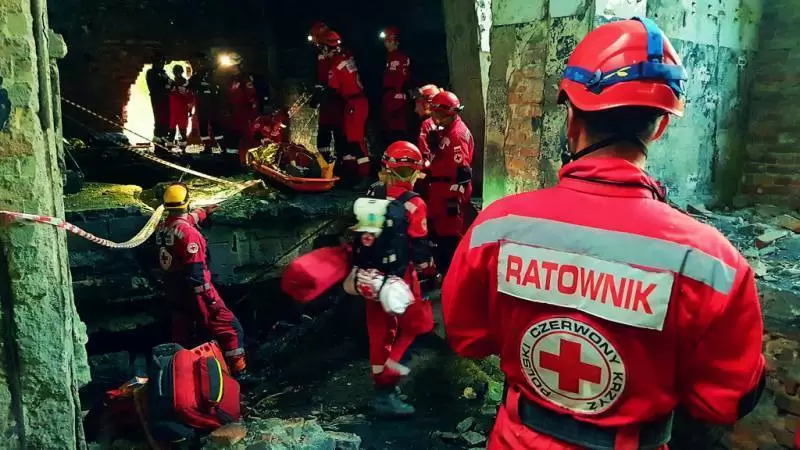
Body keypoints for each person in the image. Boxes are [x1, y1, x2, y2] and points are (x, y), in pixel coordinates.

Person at [441, 17, 765, 450]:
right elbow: (726, 400)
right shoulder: (712, 264)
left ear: (571, 119)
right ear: (661, 127)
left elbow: (467, 337)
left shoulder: (496, 227)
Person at [346, 141, 435, 417]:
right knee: (418, 325)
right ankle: (387, 387)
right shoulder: (414, 203)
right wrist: (429, 269)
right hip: (399, 278)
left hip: (369, 277)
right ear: (415, 172)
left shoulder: (372, 193)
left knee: (379, 332)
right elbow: (419, 249)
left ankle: (381, 389)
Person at [155, 183, 247, 376]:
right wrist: (211, 301)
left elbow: (184, 220)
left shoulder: (163, 226)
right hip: (196, 292)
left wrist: (203, 212)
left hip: (174, 289)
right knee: (230, 327)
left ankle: (181, 373)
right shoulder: (190, 235)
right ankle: (240, 372)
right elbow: (196, 273)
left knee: (183, 333)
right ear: (187, 202)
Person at [425, 90, 473, 274]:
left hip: (449, 193)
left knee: (449, 237)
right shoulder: (447, 130)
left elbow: (463, 171)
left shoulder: (456, 135)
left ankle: (451, 275)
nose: (433, 117)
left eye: (436, 113)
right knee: (440, 235)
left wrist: (454, 199)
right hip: (440, 190)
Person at [321, 30, 370, 188]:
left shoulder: (335, 64)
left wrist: (319, 96)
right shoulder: (346, 55)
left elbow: (332, 89)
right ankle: (353, 175)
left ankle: (364, 176)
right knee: (350, 139)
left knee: (355, 141)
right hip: (356, 102)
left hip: (354, 103)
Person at [308, 22, 347, 164]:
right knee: (324, 133)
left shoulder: (336, 56)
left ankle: (341, 164)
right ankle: (324, 163)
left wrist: (326, 93)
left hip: (337, 99)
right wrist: (317, 95)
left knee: (339, 133)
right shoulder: (322, 55)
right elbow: (320, 78)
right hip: (327, 101)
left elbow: (335, 79)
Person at [379, 27, 411, 146]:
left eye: (389, 40)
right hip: (388, 97)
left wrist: (401, 93)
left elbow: (405, 78)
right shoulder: (388, 57)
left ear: (395, 41)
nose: (386, 44)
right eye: (385, 41)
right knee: (387, 128)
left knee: (397, 128)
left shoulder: (402, 57)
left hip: (398, 97)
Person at [224, 56, 259, 164]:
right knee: (233, 137)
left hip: (245, 113)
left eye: (234, 66)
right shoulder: (229, 79)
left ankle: (251, 162)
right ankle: (233, 161)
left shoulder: (245, 79)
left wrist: (252, 113)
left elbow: (252, 96)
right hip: (233, 113)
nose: (232, 68)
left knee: (248, 138)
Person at [188, 53, 224, 153]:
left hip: (213, 103)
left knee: (215, 125)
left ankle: (222, 147)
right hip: (203, 104)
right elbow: (191, 85)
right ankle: (208, 147)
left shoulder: (215, 73)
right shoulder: (197, 76)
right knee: (204, 125)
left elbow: (220, 87)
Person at [146, 53, 171, 145]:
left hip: (165, 99)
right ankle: (158, 140)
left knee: (166, 120)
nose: (163, 64)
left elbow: (170, 82)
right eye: (162, 62)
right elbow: (155, 87)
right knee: (159, 120)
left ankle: (163, 138)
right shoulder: (151, 73)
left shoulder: (163, 73)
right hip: (158, 99)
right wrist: (166, 87)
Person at [412, 84, 441, 163]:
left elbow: (426, 158)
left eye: (418, 104)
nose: (416, 109)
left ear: (427, 104)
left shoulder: (426, 125)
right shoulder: (446, 120)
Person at [168, 65, 194, 149]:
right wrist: (190, 110)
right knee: (179, 130)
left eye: (177, 72)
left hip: (176, 110)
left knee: (176, 130)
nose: (176, 73)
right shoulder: (185, 83)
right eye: (176, 72)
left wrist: (189, 110)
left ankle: (172, 148)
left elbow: (190, 98)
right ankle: (180, 148)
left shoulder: (172, 83)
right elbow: (190, 98)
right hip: (179, 110)